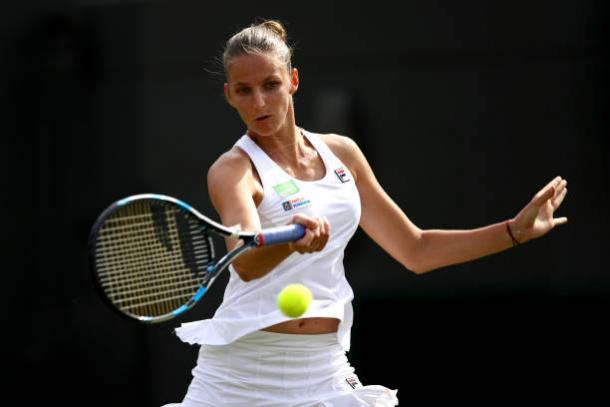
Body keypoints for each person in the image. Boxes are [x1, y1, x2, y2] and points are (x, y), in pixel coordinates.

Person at [164, 19, 568, 407]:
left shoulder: (342, 153)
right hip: (241, 375)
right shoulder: (232, 170)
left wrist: (514, 231)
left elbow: (417, 250)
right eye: (244, 90)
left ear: (293, 81)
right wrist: (291, 241)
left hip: (322, 366)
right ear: (229, 95)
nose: (260, 102)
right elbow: (247, 262)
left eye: (271, 85)